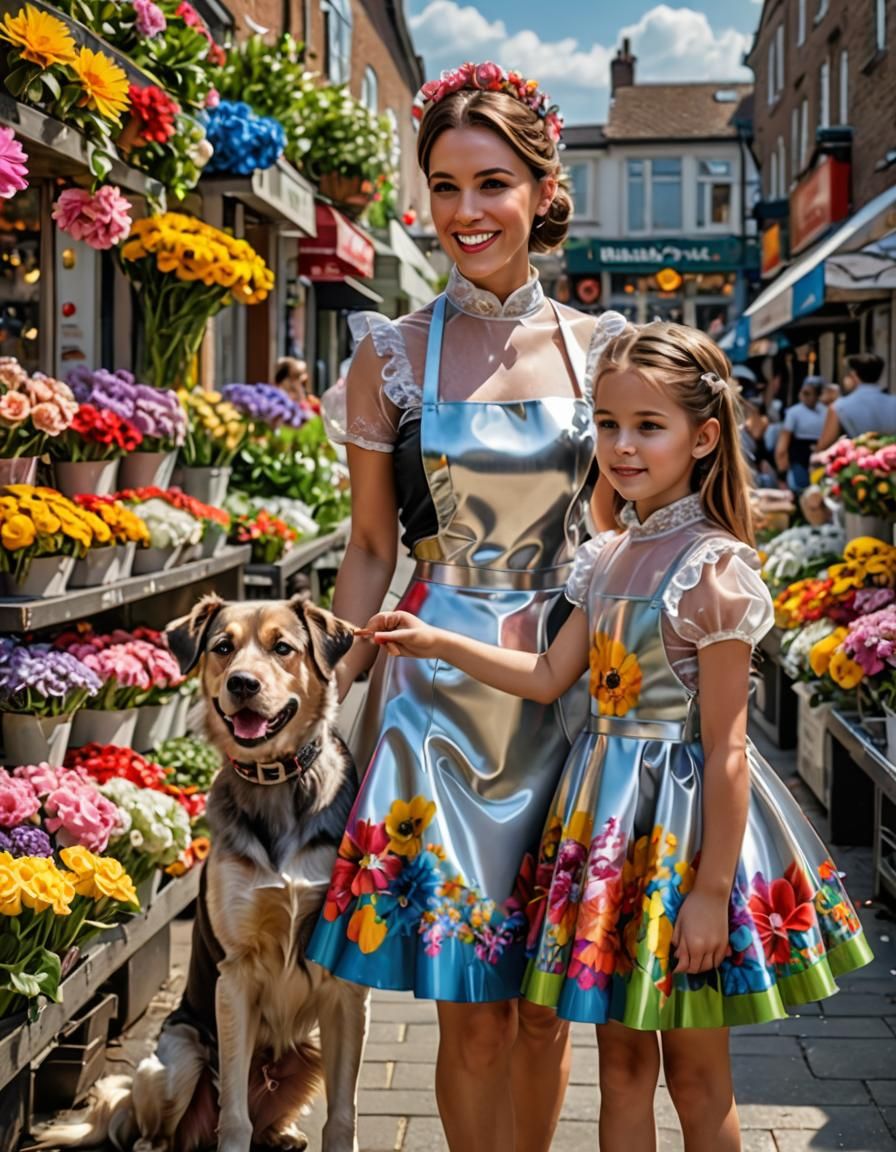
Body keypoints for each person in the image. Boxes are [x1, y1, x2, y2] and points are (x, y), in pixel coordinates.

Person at [365, 320, 872, 1152]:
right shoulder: (604, 558)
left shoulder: (714, 570)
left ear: (703, 438)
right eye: (605, 424)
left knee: (699, 1076)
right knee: (624, 1068)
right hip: (606, 833)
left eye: (648, 426)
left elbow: (731, 747)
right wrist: (435, 640)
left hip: (684, 839)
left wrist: (710, 893)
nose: (622, 446)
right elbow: (546, 676)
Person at [307, 62, 618, 1152]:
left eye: (490, 183)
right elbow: (367, 548)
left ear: (541, 188)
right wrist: (321, 695)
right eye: (442, 186)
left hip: (573, 693)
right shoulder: (385, 355)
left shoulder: (604, 350)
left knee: (544, 1015)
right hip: (433, 703)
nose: (464, 213)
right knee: (470, 1016)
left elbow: (635, 545)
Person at [816, 352, 896, 449]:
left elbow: (824, 446)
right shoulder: (893, 402)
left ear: (853, 375)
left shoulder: (838, 407)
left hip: (855, 462)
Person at [774, 376, 826, 492]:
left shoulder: (827, 412)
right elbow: (783, 442)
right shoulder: (793, 413)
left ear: (818, 395)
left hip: (819, 459)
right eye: (802, 392)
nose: (803, 395)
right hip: (800, 460)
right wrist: (782, 469)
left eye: (808, 393)